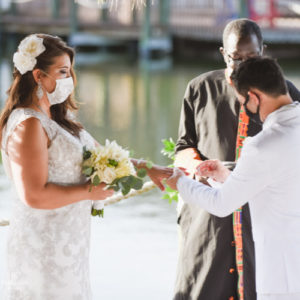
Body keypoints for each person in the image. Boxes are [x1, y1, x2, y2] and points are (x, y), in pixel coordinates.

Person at [0, 34, 172, 299]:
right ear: (38, 76)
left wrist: (148, 168)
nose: (68, 80)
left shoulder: (61, 118)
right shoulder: (28, 124)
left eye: (69, 72)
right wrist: (88, 192)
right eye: (62, 72)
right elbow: (32, 194)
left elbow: (102, 157)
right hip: (41, 246)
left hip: (70, 241)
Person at [174, 19, 300, 300]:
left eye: (251, 58)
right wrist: (198, 169)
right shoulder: (200, 88)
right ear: (223, 53)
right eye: (236, 58)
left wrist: (176, 181)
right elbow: (184, 146)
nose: (243, 65)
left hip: (260, 216)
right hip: (208, 218)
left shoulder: (283, 91)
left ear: (264, 51)